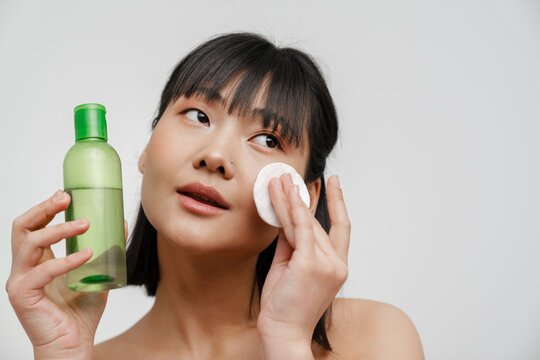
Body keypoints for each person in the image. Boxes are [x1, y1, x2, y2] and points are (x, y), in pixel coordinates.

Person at [6, 32, 424, 359]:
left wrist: (287, 342)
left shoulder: (376, 338)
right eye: (198, 115)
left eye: (267, 138)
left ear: (305, 196)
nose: (215, 156)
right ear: (147, 150)